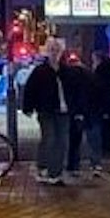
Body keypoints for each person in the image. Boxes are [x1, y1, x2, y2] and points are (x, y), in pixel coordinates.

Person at [22, 40, 69, 185]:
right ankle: (45, 167)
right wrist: (28, 108)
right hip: (46, 110)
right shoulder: (40, 71)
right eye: (52, 50)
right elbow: (30, 90)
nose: (55, 53)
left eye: (57, 50)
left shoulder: (66, 71)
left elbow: (75, 90)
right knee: (49, 138)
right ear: (48, 52)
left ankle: (56, 172)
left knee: (61, 141)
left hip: (64, 111)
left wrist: (79, 109)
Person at [58, 52, 97, 177]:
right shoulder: (87, 74)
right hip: (82, 109)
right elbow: (91, 92)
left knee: (67, 137)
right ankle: (75, 164)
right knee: (77, 138)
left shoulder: (67, 74)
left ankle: (68, 163)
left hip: (69, 109)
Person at [88, 52, 110, 175]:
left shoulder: (100, 74)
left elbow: (99, 90)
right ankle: (107, 149)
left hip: (100, 106)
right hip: (107, 105)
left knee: (100, 129)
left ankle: (103, 151)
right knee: (106, 127)